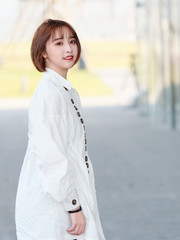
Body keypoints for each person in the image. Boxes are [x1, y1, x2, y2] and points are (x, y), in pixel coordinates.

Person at [15, 19, 106, 240]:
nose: (68, 48)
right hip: (53, 204)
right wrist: (73, 206)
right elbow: (51, 156)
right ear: (43, 52)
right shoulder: (50, 95)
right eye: (58, 43)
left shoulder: (65, 91)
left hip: (66, 196)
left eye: (72, 41)